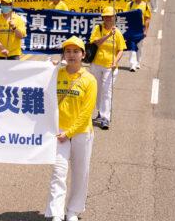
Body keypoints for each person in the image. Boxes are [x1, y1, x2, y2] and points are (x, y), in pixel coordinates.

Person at [44, 36, 97, 221]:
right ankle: (56, 213)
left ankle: (73, 211)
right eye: (68, 51)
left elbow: (86, 113)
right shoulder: (56, 74)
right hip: (59, 133)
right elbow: (39, 81)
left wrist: (70, 132)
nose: (71, 55)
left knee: (80, 173)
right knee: (58, 172)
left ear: (83, 55)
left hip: (81, 133)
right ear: (63, 54)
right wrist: (48, 65)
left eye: (76, 51)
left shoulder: (89, 80)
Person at [89, 6, 126, 130]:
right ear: (103, 18)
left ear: (114, 18)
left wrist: (115, 62)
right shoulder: (98, 29)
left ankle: (106, 117)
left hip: (109, 66)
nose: (108, 19)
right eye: (106, 16)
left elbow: (121, 50)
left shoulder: (118, 33)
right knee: (98, 90)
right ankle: (100, 113)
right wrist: (109, 35)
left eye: (111, 16)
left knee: (106, 91)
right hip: (96, 64)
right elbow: (96, 43)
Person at [128, 0, 151, 71]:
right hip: (131, 28)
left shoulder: (145, 5)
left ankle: (138, 62)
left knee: (139, 47)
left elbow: (147, 18)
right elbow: (126, 16)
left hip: (140, 28)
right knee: (132, 46)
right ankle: (132, 64)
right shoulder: (130, 5)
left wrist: (146, 30)